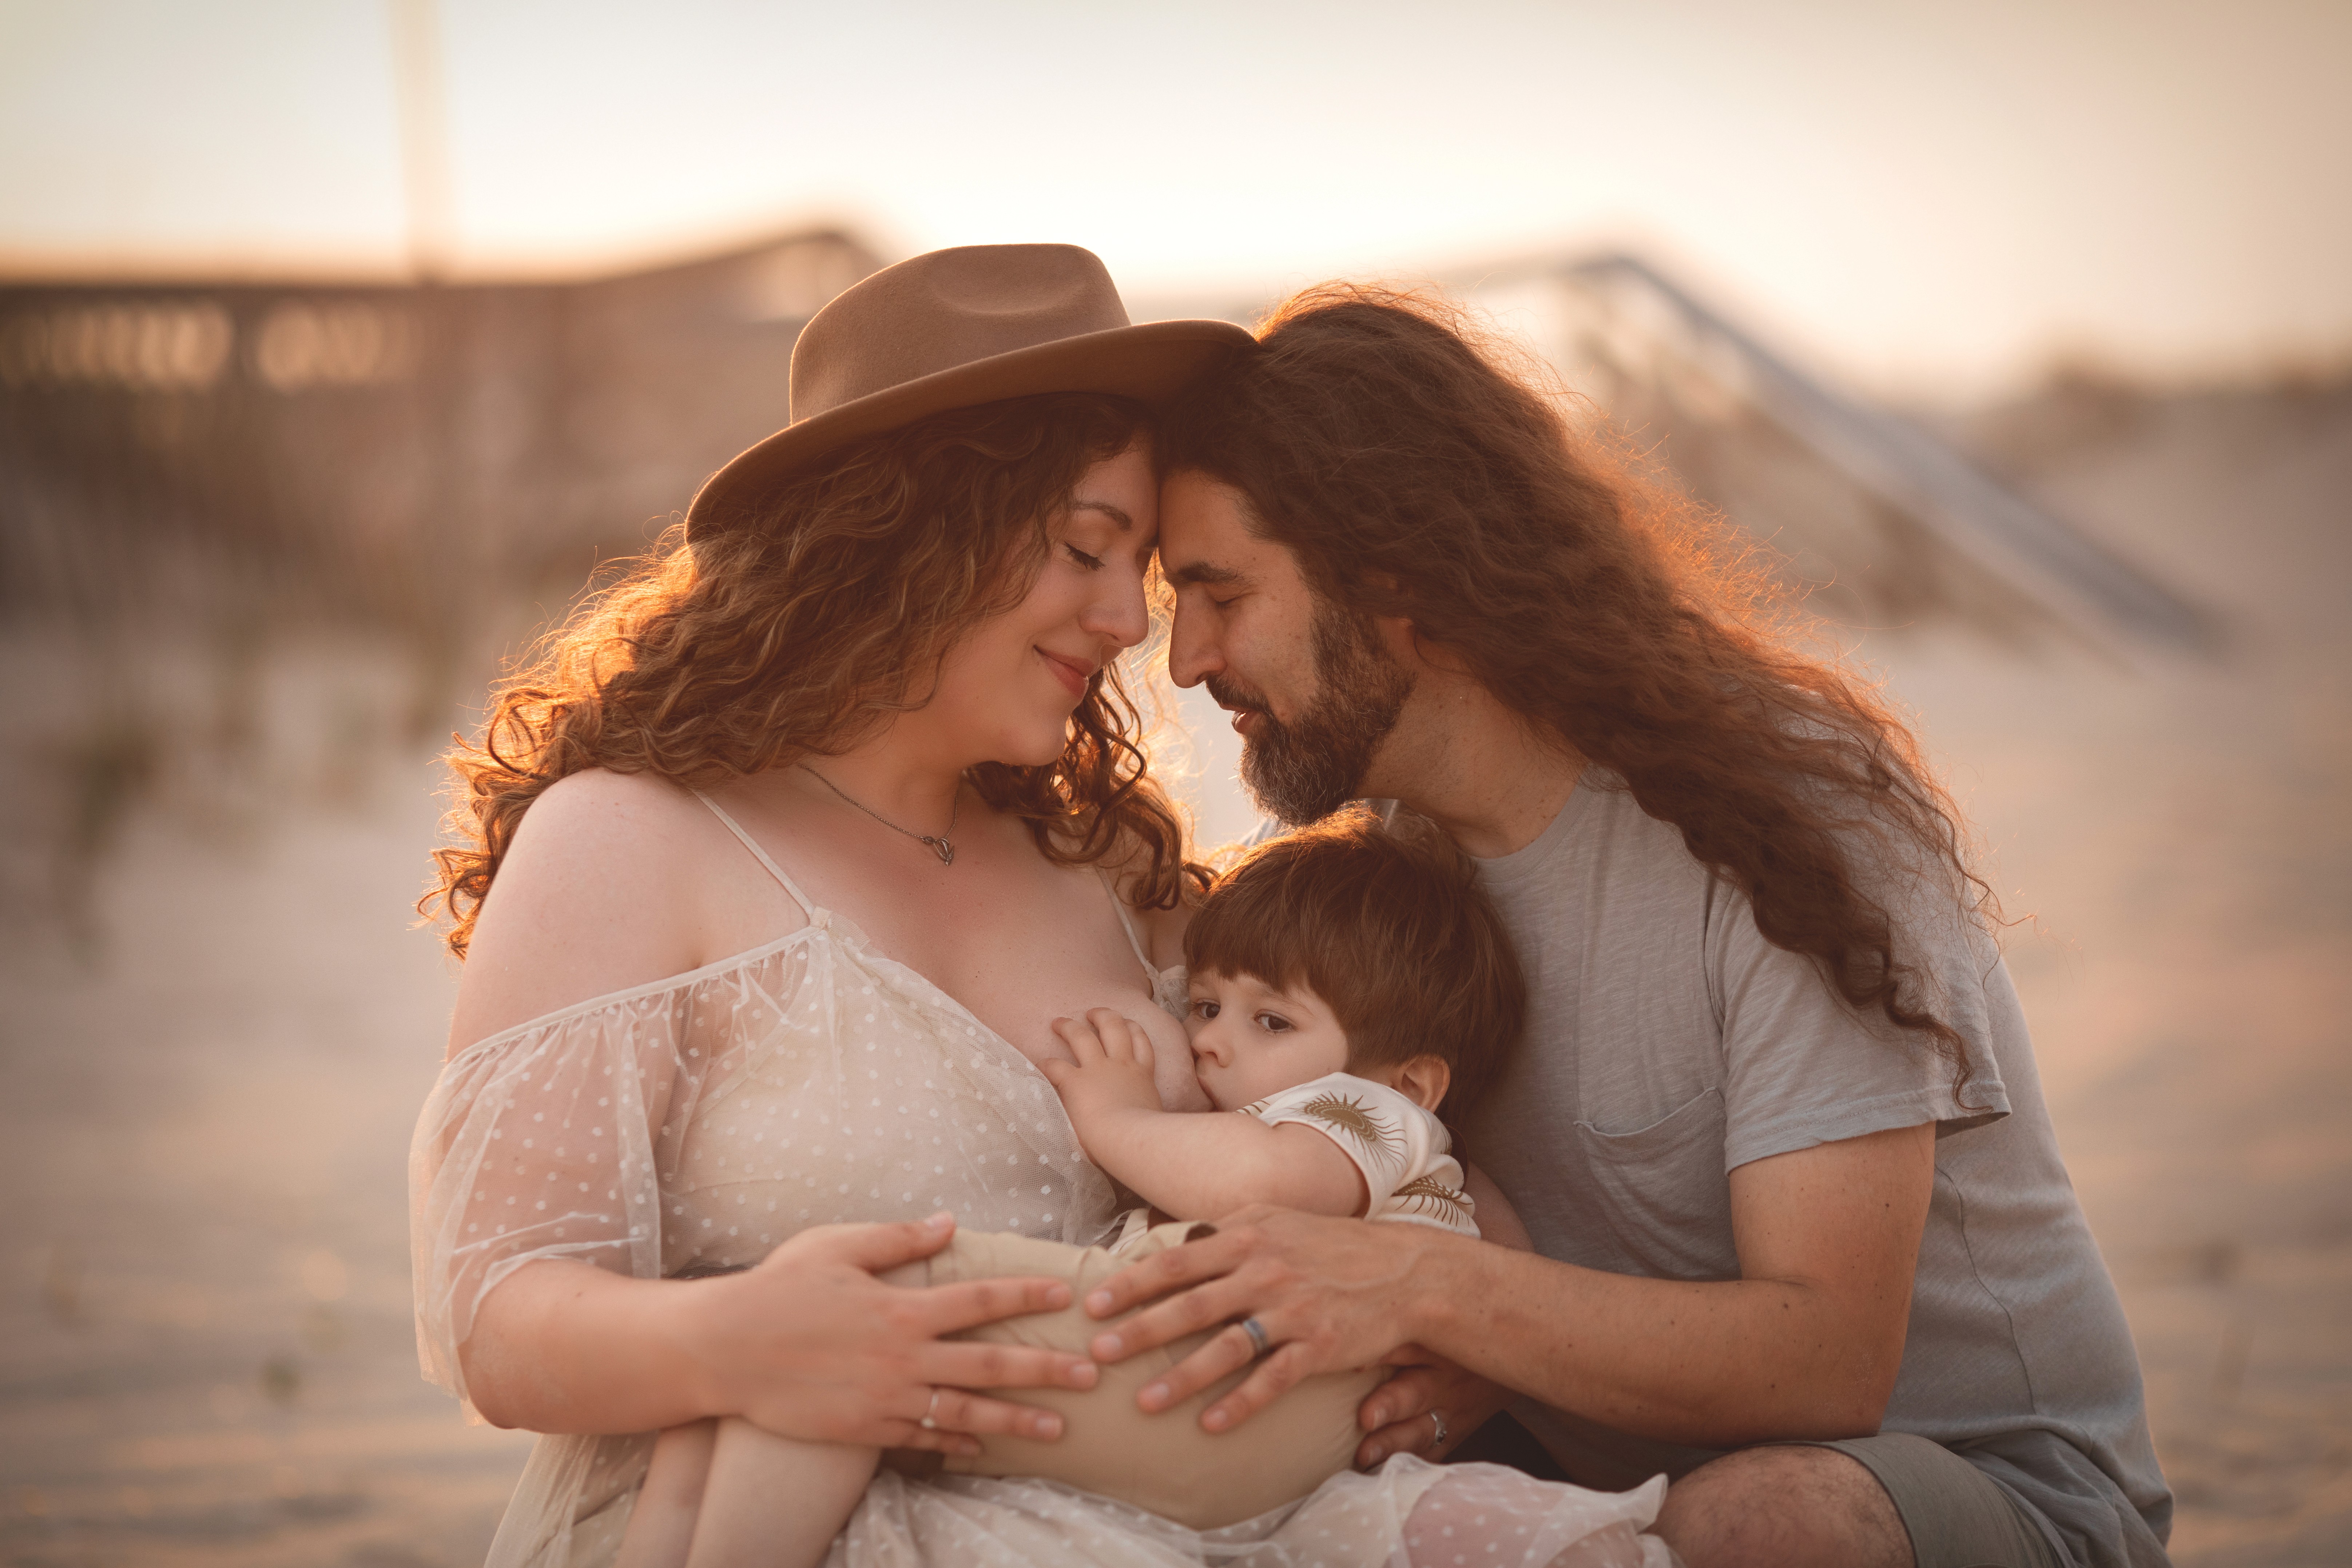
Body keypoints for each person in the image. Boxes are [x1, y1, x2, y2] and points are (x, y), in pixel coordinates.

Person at [409, 246, 1675, 1568]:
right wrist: (751, 1345)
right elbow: (498, 1316)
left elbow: (1396, 1149)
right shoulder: (628, 841)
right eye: (1085, 549)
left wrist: (1447, 1344)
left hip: (1163, 1507)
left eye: (1150, 570)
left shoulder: (1115, 880)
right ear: (904, 536)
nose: (1130, 621)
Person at [1077, 285, 2174, 1568]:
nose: (1190, 663)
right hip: (1601, 1470)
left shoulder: (1782, 826)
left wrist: (1430, 1294)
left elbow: (1826, 1365)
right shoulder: (1383, 876)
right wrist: (1455, 1358)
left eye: (1218, 594)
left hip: (1968, 1493)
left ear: (1393, 577)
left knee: (1764, 1524)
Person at [617, 804, 1543, 1566]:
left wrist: (1116, 1119)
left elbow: (1262, 1179)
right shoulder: (1350, 1128)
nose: (1213, 1039)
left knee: (844, 1308)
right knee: (753, 1360)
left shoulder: (1375, 1120)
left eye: (1271, 1019)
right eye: (1209, 1006)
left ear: (1410, 1081)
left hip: (1251, 1402)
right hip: (1220, 1399)